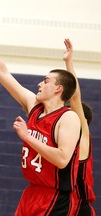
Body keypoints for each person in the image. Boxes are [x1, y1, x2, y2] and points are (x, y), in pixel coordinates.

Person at [0, 11, 81, 215]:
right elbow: (2, 72)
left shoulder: (68, 118)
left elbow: (62, 159)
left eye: (46, 81)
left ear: (58, 89)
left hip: (55, 196)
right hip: (31, 192)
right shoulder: (34, 105)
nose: (40, 84)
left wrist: (26, 136)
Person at [63, 38, 96, 215]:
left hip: (79, 208)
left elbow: (75, 98)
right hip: (64, 205)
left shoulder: (82, 138)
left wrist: (69, 63)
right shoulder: (64, 141)